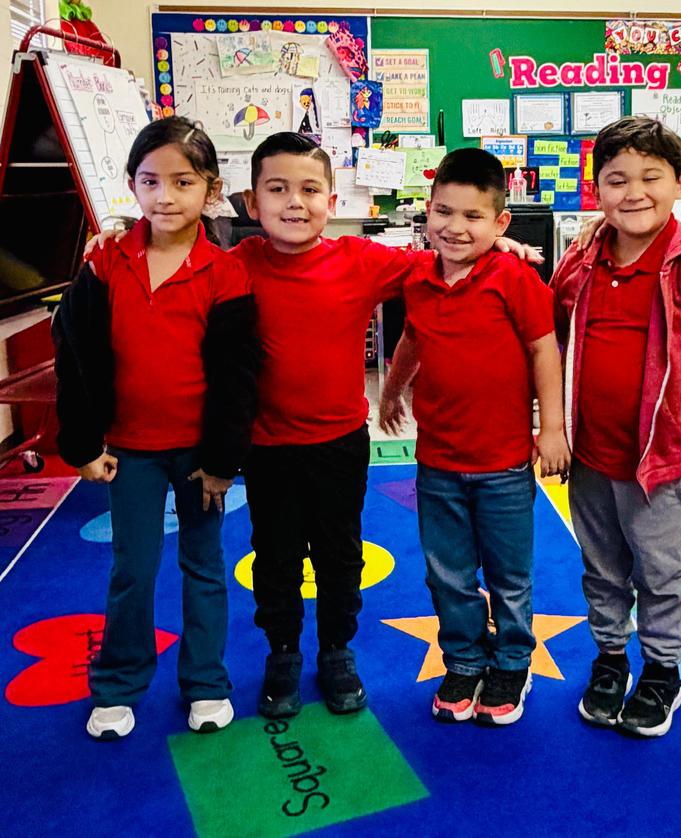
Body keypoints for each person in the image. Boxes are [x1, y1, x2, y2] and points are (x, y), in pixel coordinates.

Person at [84, 133, 541, 722]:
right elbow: (173, 251)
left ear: (331, 198)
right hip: (266, 448)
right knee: (274, 557)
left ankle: (336, 651)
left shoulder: (361, 259)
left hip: (339, 444)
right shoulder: (233, 265)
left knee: (338, 554)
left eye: (309, 190)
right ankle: (281, 653)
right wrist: (121, 230)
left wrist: (496, 240)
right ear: (252, 203)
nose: (294, 203)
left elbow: (444, 254)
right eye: (277, 190)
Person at [53, 117, 260, 739]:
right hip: (130, 453)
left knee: (203, 565)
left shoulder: (225, 273)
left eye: (182, 181)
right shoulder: (105, 262)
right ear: (131, 186)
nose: (164, 196)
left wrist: (224, 460)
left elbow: (236, 377)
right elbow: (77, 353)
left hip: (199, 454)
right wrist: (83, 444)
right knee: (132, 569)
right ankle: (118, 685)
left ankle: (205, 683)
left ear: (211, 189)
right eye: (149, 182)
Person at [551, 116, 681, 737]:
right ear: (597, 189)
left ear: (680, 183)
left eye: (650, 178)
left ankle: (662, 669)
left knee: (660, 570)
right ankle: (611, 659)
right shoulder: (583, 258)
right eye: (616, 180)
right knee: (602, 565)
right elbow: (556, 327)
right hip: (589, 454)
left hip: (660, 459)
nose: (632, 192)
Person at [378, 148, 570, 725]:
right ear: (427, 213)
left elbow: (544, 350)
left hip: (505, 464)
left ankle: (513, 660)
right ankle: (463, 657)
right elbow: (412, 337)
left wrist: (552, 427)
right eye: (443, 212)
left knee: (510, 574)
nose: (455, 228)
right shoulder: (417, 278)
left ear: (501, 223)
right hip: (437, 461)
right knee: (447, 572)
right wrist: (391, 389)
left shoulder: (514, 278)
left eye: (473, 216)